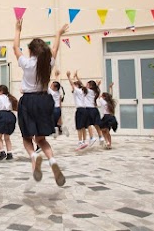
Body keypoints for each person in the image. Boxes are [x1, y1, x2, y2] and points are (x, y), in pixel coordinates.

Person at [13, 18, 68, 186]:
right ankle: (52, 161)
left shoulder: (27, 63)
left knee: (26, 137)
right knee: (41, 138)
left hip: (29, 101)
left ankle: (34, 156)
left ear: (31, 51)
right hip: (45, 100)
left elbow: (15, 48)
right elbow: (56, 48)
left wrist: (17, 29)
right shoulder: (48, 63)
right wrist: (58, 34)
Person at [0, 85, 18, 161]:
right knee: (7, 137)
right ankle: (9, 153)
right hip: (10, 116)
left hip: (2, 115)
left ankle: (2, 152)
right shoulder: (10, 98)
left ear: (1, 91)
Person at [75, 72, 104, 146]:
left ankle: (91, 137)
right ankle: (101, 137)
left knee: (87, 124)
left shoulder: (87, 90)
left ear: (90, 86)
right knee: (96, 124)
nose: (86, 85)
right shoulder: (95, 91)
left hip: (88, 109)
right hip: (95, 109)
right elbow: (96, 87)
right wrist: (98, 85)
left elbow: (81, 84)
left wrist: (77, 77)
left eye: (87, 84)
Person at [67, 71, 89, 151]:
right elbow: (82, 84)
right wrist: (77, 76)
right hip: (85, 110)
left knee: (79, 127)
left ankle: (80, 142)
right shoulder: (83, 91)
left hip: (80, 110)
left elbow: (72, 84)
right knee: (83, 127)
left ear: (77, 86)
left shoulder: (77, 90)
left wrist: (68, 77)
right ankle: (84, 141)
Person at [99, 82, 118, 149]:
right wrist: (110, 87)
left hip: (106, 117)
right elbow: (110, 95)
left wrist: (98, 85)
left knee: (103, 130)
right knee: (107, 131)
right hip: (112, 117)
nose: (101, 96)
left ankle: (107, 142)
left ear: (104, 97)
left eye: (102, 96)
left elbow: (98, 95)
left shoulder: (103, 102)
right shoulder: (110, 102)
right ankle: (109, 143)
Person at [48, 70, 67, 138]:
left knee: (52, 121)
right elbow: (57, 84)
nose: (50, 86)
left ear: (55, 88)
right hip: (58, 108)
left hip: (54, 108)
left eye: (52, 85)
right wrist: (56, 77)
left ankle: (54, 133)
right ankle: (60, 130)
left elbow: (47, 85)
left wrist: (55, 76)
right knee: (58, 121)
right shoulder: (58, 92)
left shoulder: (52, 92)